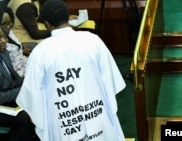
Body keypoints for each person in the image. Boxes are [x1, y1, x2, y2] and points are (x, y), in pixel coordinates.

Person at [16, 0, 126, 141]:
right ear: (68, 17)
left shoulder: (39, 53)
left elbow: (32, 99)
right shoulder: (93, 40)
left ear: (47, 24)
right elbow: (111, 82)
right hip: (98, 118)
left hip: (63, 126)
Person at [0, 3, 30, 77]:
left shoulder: (7, 32)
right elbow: (3, 67)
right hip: (19, 74)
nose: (8, 27)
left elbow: (17, 44)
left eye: (10, 23)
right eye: (3, 24)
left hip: (25, 63)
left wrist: (21, 49)